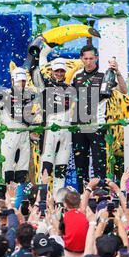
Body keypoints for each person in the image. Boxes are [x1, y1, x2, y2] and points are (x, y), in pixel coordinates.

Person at [71, 45, 127, 191]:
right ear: (81, 58)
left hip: (97, 124)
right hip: (79, 124)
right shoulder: (77, 76)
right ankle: (82, 191)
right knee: (80, 162)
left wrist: (118, 72)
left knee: (98, 161)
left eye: (91, 58)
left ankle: (100, 190)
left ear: (96, 58)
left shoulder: (104, 75)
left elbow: (124, 90)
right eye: (85, 58)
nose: (88, 61)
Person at [0, 68, 37, 206]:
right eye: (19, 81)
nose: (22, 84)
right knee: (7, 167)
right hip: (9, 133)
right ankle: (3, 199)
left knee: (22, 167)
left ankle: (19, 200)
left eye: (24, 81)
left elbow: (33, 115)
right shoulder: (4, 95)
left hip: (24, 134)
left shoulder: (30, 95)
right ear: (13, 81)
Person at [30, 57, 73, 198]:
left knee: (61, 167)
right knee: (46, 166)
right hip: (49, 131)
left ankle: (59, 199)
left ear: (65, 72)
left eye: (62, 71)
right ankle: (42, 199)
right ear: (52, 72)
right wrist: (35, 57)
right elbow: (35, 74)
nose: (59, 73)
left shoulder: (70, 89)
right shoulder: (45, 85)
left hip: (66, 132)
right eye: (57, 71)